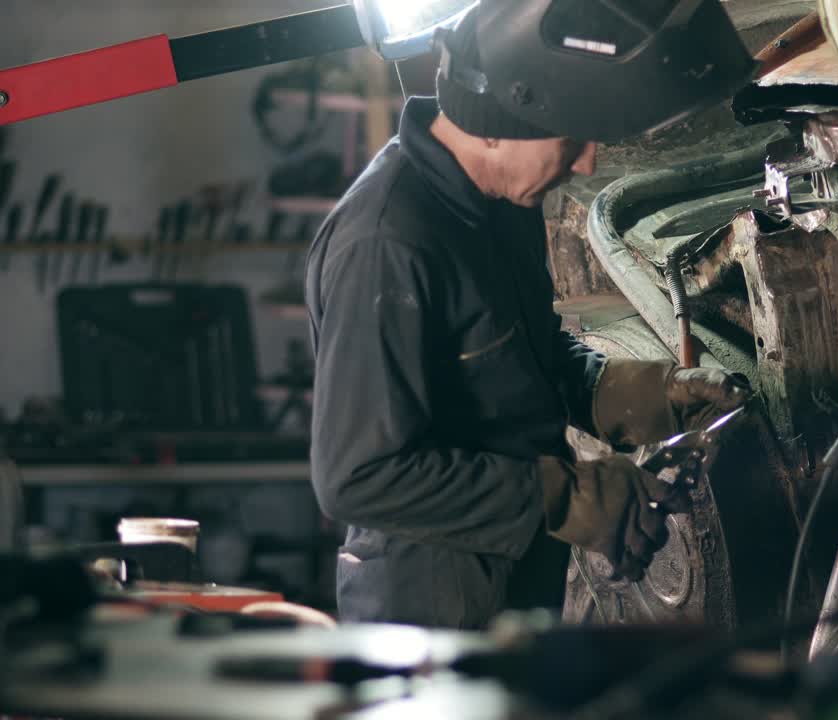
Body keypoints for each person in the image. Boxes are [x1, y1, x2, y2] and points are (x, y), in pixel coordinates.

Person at [305, 0, 758, 628]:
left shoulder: (500, 202)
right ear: (494, 124)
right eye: (570, 137)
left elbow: (529, 353)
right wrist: (569, 497)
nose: (587, 162)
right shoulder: (386, 244)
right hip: (430, 612)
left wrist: (639, 393)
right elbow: (359, 477)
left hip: (516, 579)